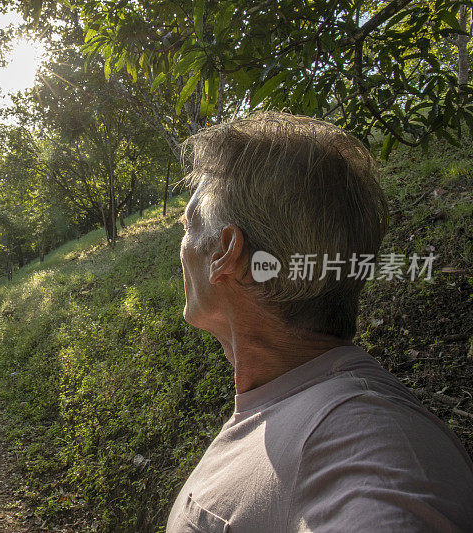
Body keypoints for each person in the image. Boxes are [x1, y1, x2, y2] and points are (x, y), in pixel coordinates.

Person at [167, 112, 473, 532]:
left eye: (187, 224)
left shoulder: (362, 438)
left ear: (226, 253)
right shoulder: (299, 398)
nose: (181, 246)